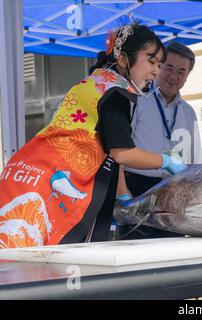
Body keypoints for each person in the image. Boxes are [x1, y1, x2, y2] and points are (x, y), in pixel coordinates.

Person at [0, 24, 186, 248]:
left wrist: (123, 194)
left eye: (158, 64)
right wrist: (166, 160)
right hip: (45, 185)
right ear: (124, 59)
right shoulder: (116, 93)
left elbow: (109, 150)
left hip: (26, 173)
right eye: (150, 61)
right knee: (21, 264)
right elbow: (123, 153)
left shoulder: (98, 81)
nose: (156, 71)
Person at [117, 42, 202, 239]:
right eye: (169, 68)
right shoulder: (137, 99)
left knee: (171, 252)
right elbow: (119, 150)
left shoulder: (188, 112)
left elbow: (194, 159)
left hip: (174, 190)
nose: (174, 76)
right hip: (138, 186)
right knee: (135, 249)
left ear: (187, 77)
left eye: (181, 71)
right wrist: (123, 193)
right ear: (158, 67)